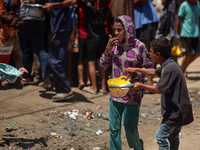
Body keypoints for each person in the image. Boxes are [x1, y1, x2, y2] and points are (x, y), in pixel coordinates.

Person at [124, 37, 194, 150]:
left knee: (160, 137)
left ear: (158, 54)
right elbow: (154, 72)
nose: (149, 54)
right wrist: (136, 69)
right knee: (173, 137)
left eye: (150, 52)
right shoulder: (169, 65)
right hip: (180, 110)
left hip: (175, 112)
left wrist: (141, 85)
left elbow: (159, 89)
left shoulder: (169, 69)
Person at [100, 15, 153, 150]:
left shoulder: (139, 46)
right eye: (115, 30)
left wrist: (135, 74)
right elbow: (102, 66)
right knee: (114, 128)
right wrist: (107, 50)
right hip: (116, 92)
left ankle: (137, 147)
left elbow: (149, 68)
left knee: (130, 130)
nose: (116, 33)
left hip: (133, 93)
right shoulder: (114, 46)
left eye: (119, 30)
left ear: (128, 29)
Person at [43, 0, 76, 101]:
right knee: (57, 59)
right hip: (59, 28)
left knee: (54, 59)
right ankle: (61, 89)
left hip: (62, 28)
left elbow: (72, 1)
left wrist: (52, 5)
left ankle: (66, 90)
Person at [78, 0, 111, 94]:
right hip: (102, 38)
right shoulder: (106, 10)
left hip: (92, 38)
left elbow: (83, 2)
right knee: (101, 62)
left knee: (91, 63)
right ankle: (103, 87)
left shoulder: (91, 9)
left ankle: (94, 87)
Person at [134, 0, 159, 87]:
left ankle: (150, 78)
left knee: (149, 50)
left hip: (147, 20)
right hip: (134, 20)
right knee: (136, 52)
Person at [0, 11, 28, 86]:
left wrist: (20, 66)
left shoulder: (14, 38)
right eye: (14, 28)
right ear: (6, 26)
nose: (16, 31)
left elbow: (16, 55)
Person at [176, 0, 200, 79]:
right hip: (186, 32)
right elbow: (179, 20)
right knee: (188, 53)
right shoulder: (184, 5)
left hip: (196, 32)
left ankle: (182, 69)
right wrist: (177, 33)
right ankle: (182, 71)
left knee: (198, 52)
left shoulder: (198, 4)